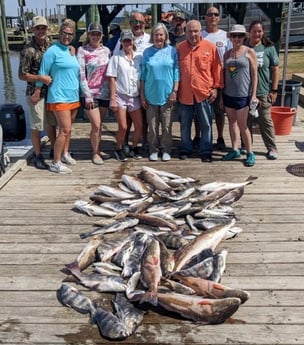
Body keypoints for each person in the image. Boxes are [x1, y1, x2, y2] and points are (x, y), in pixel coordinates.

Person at [32, 19, 80, 174]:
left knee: (69, 129)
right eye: (64, 33)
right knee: (64, 130)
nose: (67, 37)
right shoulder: (52, 51)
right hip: (59, 96)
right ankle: (55, 162)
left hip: (73, 95)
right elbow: (43, 72)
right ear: (59, 33)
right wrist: (37, 91)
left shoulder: (71, 50)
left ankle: (65, 154)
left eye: (70, 34)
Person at [177, 19, 222, 163]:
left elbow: (217, 69)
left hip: (204, 93)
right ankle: (185, 149)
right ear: (186, 32)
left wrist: (215, 88)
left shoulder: (210, 47)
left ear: (200, 31)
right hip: (185, 93)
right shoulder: (180, 48)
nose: (193, 34)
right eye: (189, 31)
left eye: (195, 31)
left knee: (206, 124)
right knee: (185, 124)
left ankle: (206, 151)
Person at [18, 16, 57, 170]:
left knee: (52, 123)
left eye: (43, 28)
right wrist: (40, 78)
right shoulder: (28, 50)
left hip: (51, 93)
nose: (41, 30)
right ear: (33, 30)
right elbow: (21, 75)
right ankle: (38, 155)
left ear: (47, 29)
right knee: (37, 126)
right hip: (35, 93)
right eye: (38, 28)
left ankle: (55, 149)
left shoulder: (50, 46)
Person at [113, 12, 151, 154]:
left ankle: (144, 142)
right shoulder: (122, 39)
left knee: (144, 119)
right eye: (134, 21)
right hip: (127, 88)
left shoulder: (150, 38)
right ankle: (124, 144)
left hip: (146, 84)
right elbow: (116, 59)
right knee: (126, 121)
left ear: (145, 24)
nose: (137, 24)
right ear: (130, 24)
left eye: (140, 22)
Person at [140, 22, 179, 162]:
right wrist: (142, 94)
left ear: (166, 36)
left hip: (167, 95)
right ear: (153, 36)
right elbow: (143, 75)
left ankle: (166, 149)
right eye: (156, 34)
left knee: (167, 125)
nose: (159, 37)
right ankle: (153, 150)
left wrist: (175, 91)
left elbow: (176, 72)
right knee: (152, 126)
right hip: (151, 95)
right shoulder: (147, 52)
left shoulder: (172, 51)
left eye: (161, 34)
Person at [222, 24, 258, 167]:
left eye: (239, 36)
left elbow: (255, 75)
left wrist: (253, 94)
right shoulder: (226, 54)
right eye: (233, 35)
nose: (236, 38)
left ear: (244, 37)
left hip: (243, 95)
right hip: (228, 94)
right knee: (232, 123)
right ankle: (235, 149)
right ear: (230, 37)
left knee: (243, 125)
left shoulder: (249, 52)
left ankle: (250, 152)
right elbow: (224, 75)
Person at [77, 23, 111, 165]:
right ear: (88, 34)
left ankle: (98, 148)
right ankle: (95, 153)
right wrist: (87, 95)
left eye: (98, 33)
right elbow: (81, 73)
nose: (95, 36)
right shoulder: (82, 50)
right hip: (90, 94)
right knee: (96, 124)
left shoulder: (107, 50)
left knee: (99, 124)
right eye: (93, 33)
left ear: (102, 35)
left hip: (104, 93)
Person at [107, 31, 143, 162]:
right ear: (121, 42)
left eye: (129, 40)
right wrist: (113, 99)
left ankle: (133, 148)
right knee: (123, 126)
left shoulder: (139, 57)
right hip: (121, 95)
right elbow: (112, 79)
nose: (127, 43)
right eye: (125, 41)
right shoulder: (116, 58)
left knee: (139, 125)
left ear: (133, 41)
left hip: (135, 96)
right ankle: (118, 148)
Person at [200, 6, 232, 151]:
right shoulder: (200, 35)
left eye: (215, 14)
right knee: (199, 112)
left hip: (220, 79)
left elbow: (231, 57)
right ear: (205, 17)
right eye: (209, 14)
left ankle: (219, 137)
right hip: (203, 80)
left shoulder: (225, 36)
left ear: (219, 17)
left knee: (219, 111)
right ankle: (198, 136)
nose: (212, 17)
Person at [247, 20, 279, 160]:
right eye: (254, 31)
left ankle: (271, 147)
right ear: (249, 32)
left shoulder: (269, 48)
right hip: (246, 93)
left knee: (266, 121)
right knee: (246, 122)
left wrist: (274, 90)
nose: (257, 34)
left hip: (263, 92)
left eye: (259, 31)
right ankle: (247, 147)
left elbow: (275, 69)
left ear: (263, 32)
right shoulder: (244, 47)